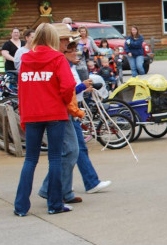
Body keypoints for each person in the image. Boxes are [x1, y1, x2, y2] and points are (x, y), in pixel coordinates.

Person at [39, 28, 112, 203]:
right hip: (63, 111)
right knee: (70, 151)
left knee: (73, 151)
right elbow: (66, 90)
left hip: (68, 110)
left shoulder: (65, 63)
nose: (75, 52)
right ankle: (54, 189)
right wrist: (77, 103)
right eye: (70, 46)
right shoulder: (58, 61)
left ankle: (67, 190)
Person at [13, 23, 76, 216]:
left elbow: (22, 90)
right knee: (55, 158)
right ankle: (54, 204)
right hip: (55, 113)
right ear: (52, 38)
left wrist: (24, 115)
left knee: (30, 160)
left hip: (32, 114)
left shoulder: (25, 59)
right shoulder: (58, 58)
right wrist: (64, 103)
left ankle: (21, 207)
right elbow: (68, 86)